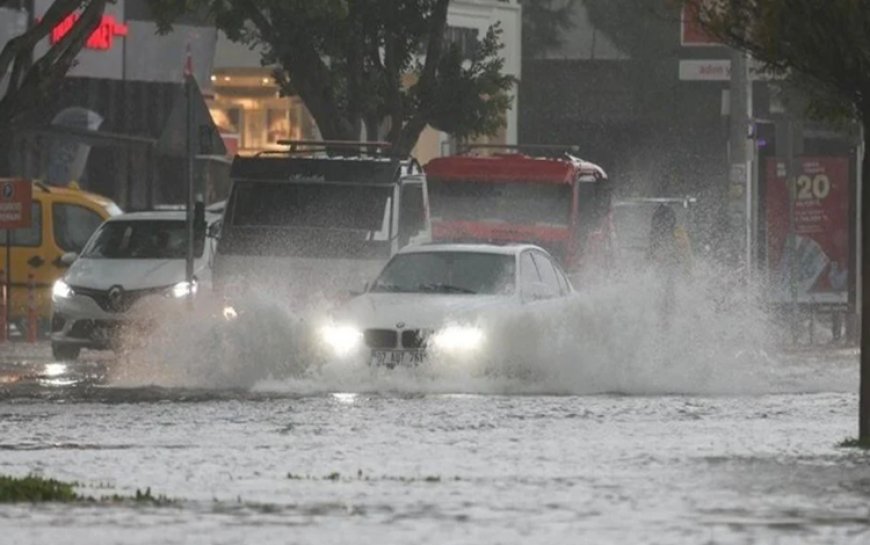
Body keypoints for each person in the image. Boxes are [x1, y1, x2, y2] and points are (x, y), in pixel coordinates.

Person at [646, 204, 692, 327]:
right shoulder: (676, 233)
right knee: (666, 302)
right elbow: (650, 258)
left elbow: (683, 256)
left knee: (668, 301)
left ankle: (666, 323)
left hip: (674, 274)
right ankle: (665, 323)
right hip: (669, 274)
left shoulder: (678, 234)